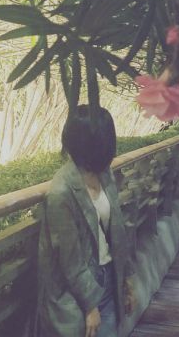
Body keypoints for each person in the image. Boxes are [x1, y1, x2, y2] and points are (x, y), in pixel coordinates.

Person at [37, 105, 135, 337]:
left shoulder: (104, 174)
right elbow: (69, 259)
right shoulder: (61, 192)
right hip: (79, 291)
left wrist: (126, 278)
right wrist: (90, 305)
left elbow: (117, 230)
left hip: (109, 275)